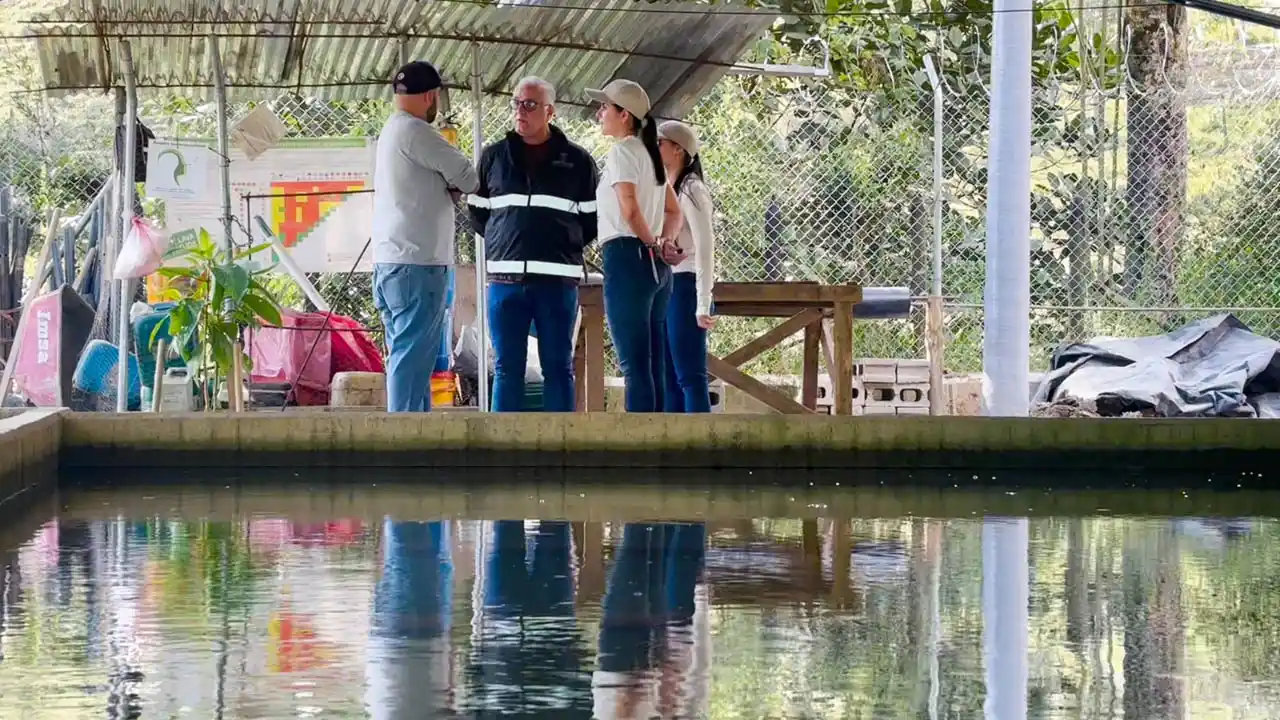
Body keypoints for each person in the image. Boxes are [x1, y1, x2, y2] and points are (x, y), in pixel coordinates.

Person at [468, 77, 599, 412]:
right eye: (516, 103)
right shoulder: (493, 158)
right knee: (506, 369)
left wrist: (557, 248)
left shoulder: (578, 162)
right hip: (504, 284)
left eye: (529, 104)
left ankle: (561, 448)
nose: (520, 111)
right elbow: (479, 214)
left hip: (557, 285)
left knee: (558, 368)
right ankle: (503, 454)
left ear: (549, 112)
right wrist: (507, 243)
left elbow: (590, 221)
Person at [371, 60, 479, 413]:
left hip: (393, 261)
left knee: (410, 356)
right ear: (431, 96)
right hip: (417, 263)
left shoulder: (393, 130)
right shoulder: (418, 132)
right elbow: (467, 176)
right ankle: (402, 439)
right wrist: (452, 184)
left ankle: (415, 431)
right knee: (411, 355)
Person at [585, 79, 683, 413]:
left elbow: (629, 208)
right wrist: (663, 242)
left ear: (624, 115)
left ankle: (639, 443)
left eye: (605, 108)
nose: (600, 113)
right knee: (651, 360)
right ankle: (659, 439)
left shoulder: (624, 151)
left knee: (634, 363)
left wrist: (651, 240)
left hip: (627, 257)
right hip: (656, 266)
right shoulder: (650, 154)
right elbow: (674, 211)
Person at [656, 121, 716, 413]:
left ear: (678, 149)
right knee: (667, 376)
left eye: (660, 143)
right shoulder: (665, 188)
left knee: (689, 375)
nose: (655, 149)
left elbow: (705, 247)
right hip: (666, 283)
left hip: (686, 284)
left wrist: (703, 301)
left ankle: (701, 449)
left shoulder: (692, 189)